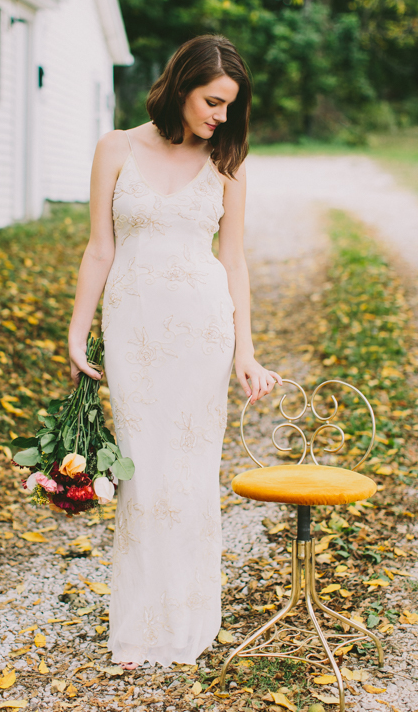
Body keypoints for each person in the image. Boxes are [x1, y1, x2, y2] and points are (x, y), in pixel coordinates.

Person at [68, 34, 282, 669]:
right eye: (213, 101)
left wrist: (246, 349)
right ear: (183, 85)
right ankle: (139, 626)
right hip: (133, 327)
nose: (220, 116)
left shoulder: (227, 162)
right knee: (143, 471)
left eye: (229, 107)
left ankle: (189, 621)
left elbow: (233, 258)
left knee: (186, 476)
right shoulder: (116, 147)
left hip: (201, 332)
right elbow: (99, 249)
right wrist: (78, 333)